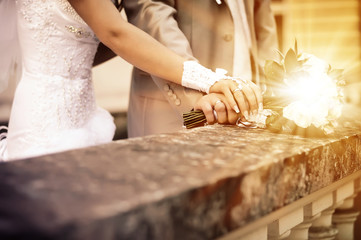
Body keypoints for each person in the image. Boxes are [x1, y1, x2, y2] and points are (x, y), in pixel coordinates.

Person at [0, 0, 262, 161]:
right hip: (44, 118)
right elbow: (117, 33)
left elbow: (96, 45)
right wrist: (209, 80)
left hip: (84, 114)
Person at [122, 0, 279, 137]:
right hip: (172, 107)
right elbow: (152, 12)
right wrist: (197, 88)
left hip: (249, 106)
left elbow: (264, 23)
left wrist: (273, 87)